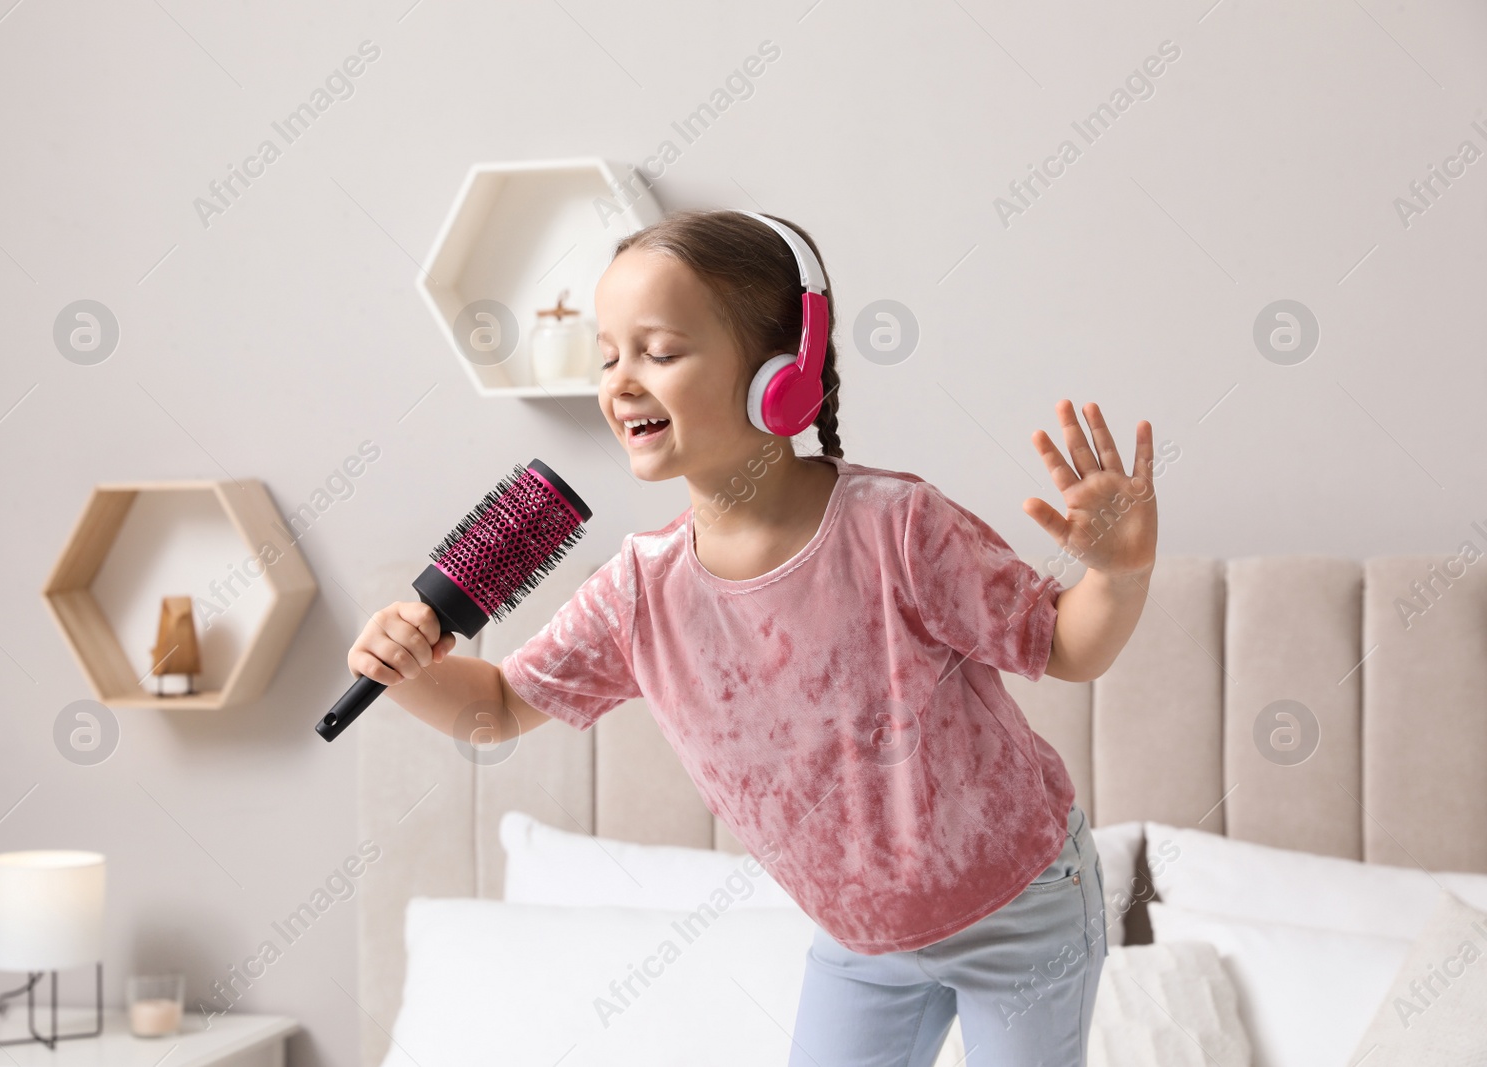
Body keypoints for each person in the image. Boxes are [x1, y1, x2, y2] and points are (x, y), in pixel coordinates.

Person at [346, 209, 1158, 1067]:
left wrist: (1118, 575)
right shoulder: (637, 593)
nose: (621, 380)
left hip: (1017, 902)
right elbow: (500, 706)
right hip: (862, 939)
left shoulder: (898, 528)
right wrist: (405, 669)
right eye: (608, 354)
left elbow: (1067, 647)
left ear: (785, 373)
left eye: (659, 352)